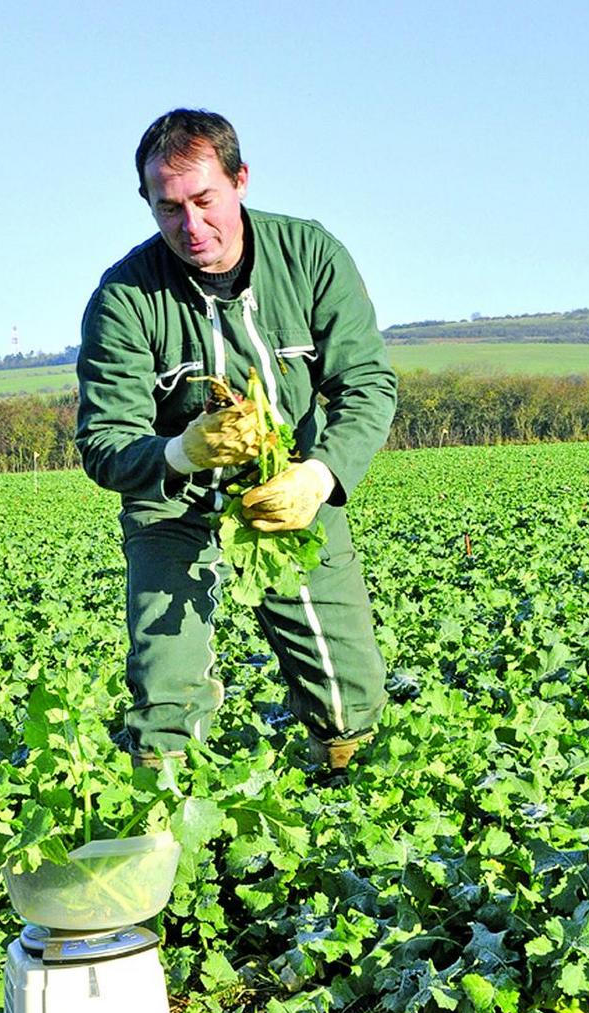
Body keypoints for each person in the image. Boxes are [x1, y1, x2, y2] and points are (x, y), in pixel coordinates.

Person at [76, 108, 397, 774]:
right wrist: (180, 452)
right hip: (174, 509)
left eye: (203, 200)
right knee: (165, 694)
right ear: (147, 204)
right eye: (168, 209)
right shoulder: (124, 297)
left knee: (349, 698)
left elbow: (366, 385)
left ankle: (344, 789)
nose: (190, 227)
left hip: (289, 495)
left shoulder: (308, 257)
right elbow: (105, 442)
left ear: (240, 180)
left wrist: (317, 476)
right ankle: (166, 821)